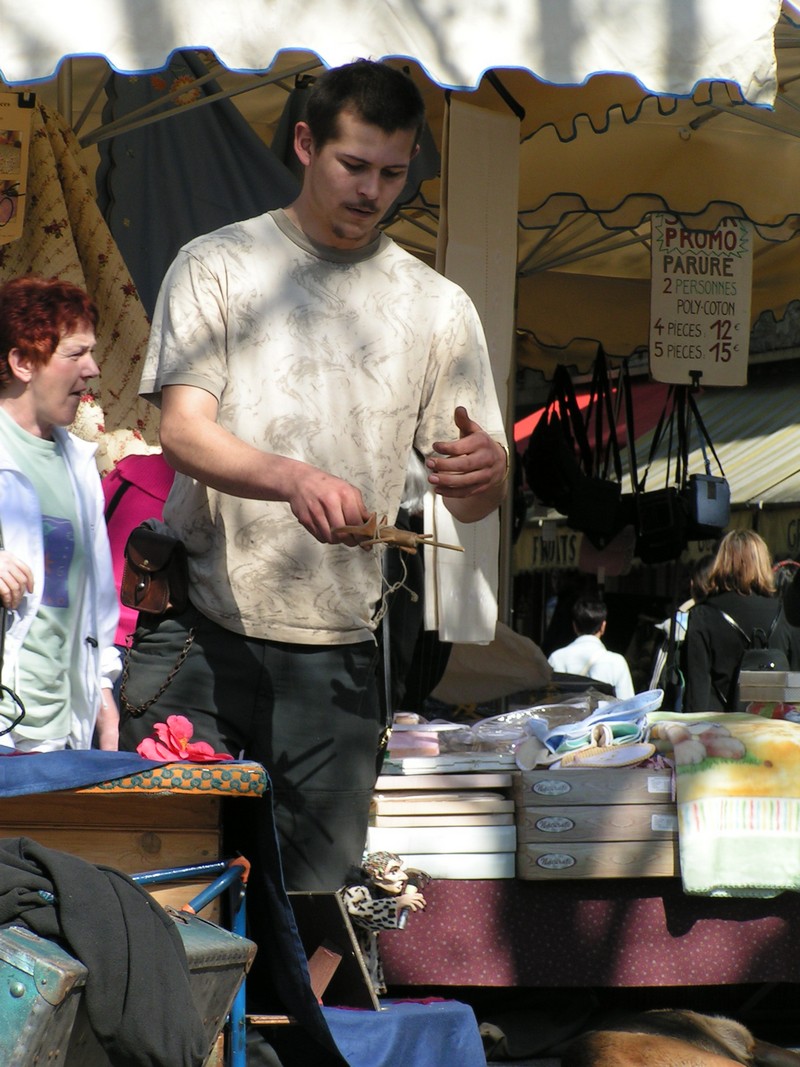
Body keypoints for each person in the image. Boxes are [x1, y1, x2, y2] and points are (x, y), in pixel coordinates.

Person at [118, 59, 508, 893]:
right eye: (353, 165)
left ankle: (288, 1029)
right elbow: (182, 430)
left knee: (320, 895)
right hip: (198, 629)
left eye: (393, 173)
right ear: (305, 144)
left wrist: (485, 472)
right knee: (164, 885)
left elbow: (474, 490)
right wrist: (291, 478)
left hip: (339, 652)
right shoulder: (217, 264)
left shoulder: (438, 306)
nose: (372, 190)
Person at [0, 276, 121, 751]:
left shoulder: (79, 465)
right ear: (23, 362)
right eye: (75, 354)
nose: (92, 369)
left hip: (58, 735)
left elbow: (95, 602)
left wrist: (103, 692)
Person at [681, 530, 793, 713]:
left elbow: (697, 692)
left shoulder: (702, 616)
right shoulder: (786, 614)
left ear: (721, 562)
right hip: (777, 731)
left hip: (723, 732)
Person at [547, 595, 635, 699]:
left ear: (574, 626)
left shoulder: (556, 658)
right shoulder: (617, 662)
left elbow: (549, 700)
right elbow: (627, 707)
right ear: (603, 626)